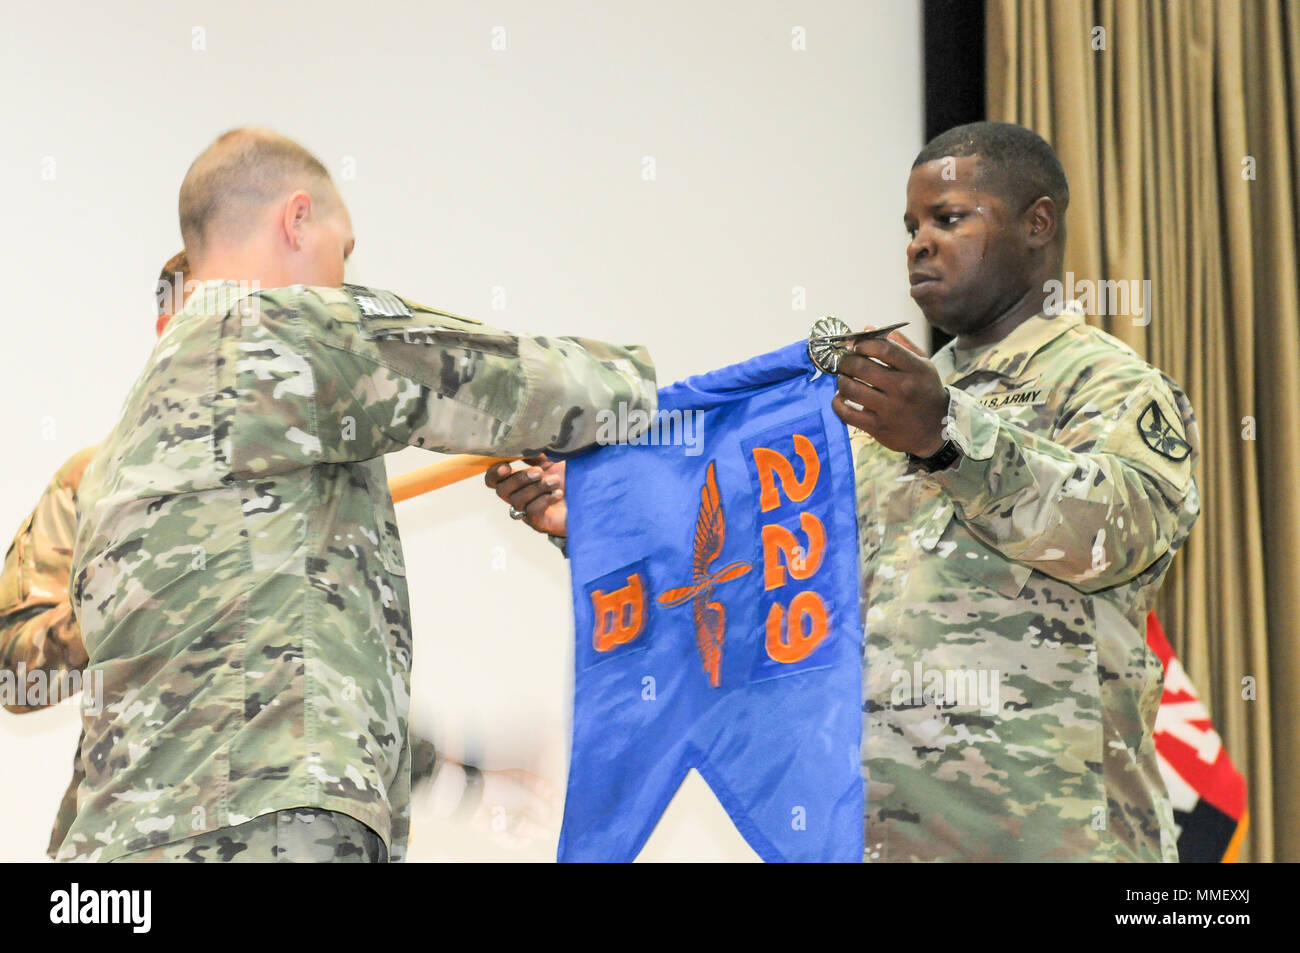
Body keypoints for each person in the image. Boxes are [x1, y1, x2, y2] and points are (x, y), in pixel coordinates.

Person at [487, 121, 1199, 862]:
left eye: (948, 218)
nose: (919, 243)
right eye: (911, 226)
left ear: (1037, 224)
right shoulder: (879, 413)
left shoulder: (1105, 383)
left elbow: (1115, 534)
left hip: (1053, 835)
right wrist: (600, 520)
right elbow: (761, 568)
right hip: (879, 835)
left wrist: (948, 436)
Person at [58, 127, 656, 863]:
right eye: (343, 253)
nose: (339, 280)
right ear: (297, 219)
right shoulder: (276, 330)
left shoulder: (121, 447)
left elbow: (245, 685)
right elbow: (497, 376)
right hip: (267, 831)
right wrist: (684, 401)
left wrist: (459, 771)